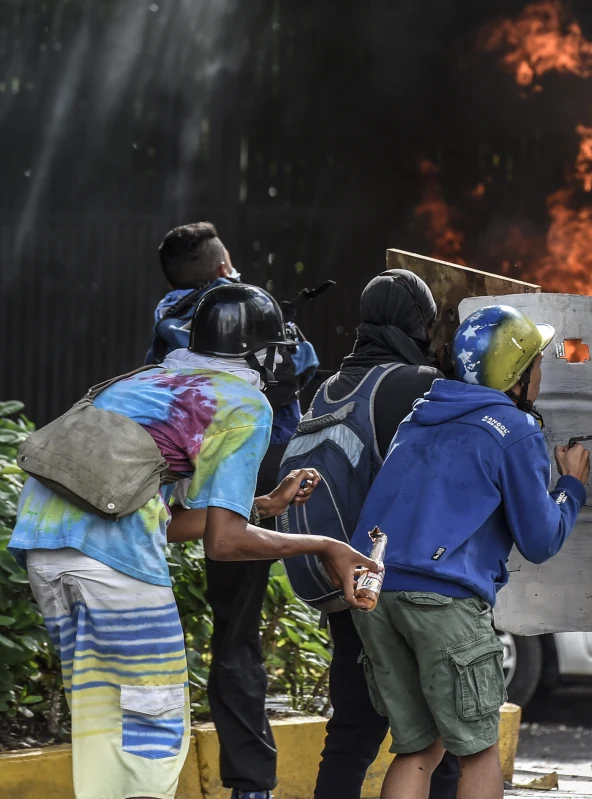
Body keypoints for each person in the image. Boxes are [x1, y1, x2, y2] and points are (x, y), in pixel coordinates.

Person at [8, 284, 377, 799]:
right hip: (113, 568)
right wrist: (325, 546)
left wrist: (263, 507)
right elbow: (224, 544)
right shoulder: (244, 401)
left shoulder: (150, 379)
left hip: (45, 550)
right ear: (263, 352)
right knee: (152, 726)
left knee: (104, 723)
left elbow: (158, 516)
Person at [350, 304, 591, 799]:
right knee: (478, 751)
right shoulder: (515, 430)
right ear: (517, 376)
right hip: (441, 602)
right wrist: (571, 486)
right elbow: (540, 540)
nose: (541, 373)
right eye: (537, 363)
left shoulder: (421, 416)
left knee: (418, 747)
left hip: (376, 594)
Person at [146, 222, 320, 799]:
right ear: (224, 270)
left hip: (172, 488)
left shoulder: (167, 325)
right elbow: (303, 369)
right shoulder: (251, 315)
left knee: (220, 633)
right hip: (251, 471)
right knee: (238, 640)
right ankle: (251, 784)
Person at [282, 269, 460, 799]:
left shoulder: (329, 388)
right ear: (419, 322)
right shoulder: (414, 385)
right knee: (438, 736)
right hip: (399, 579)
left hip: (341, 579)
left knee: (353, 730)